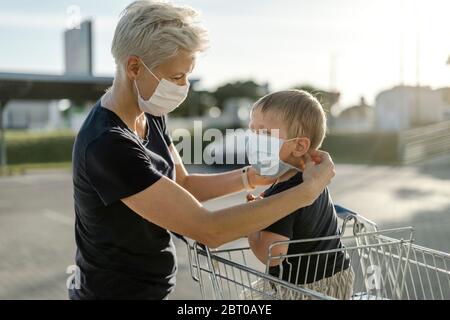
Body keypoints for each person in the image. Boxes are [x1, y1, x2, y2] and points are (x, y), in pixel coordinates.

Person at [69, 1, 335, 300]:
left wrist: (251, 177)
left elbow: (181, 184)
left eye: (187, 75)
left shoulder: (150, 113)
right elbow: (209, 229)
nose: (184, 86)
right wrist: (306, 192)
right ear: (134, 67)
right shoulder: (108, 144)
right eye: (176, 77)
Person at [244, 90, 354, 300]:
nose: (255, 139)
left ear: (299, 146)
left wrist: (253, 224)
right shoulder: (311, 179)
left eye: (265, 133)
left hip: (303, 290)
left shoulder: (285, 195)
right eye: (252, 130)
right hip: (334, 279)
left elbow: (272, 254)